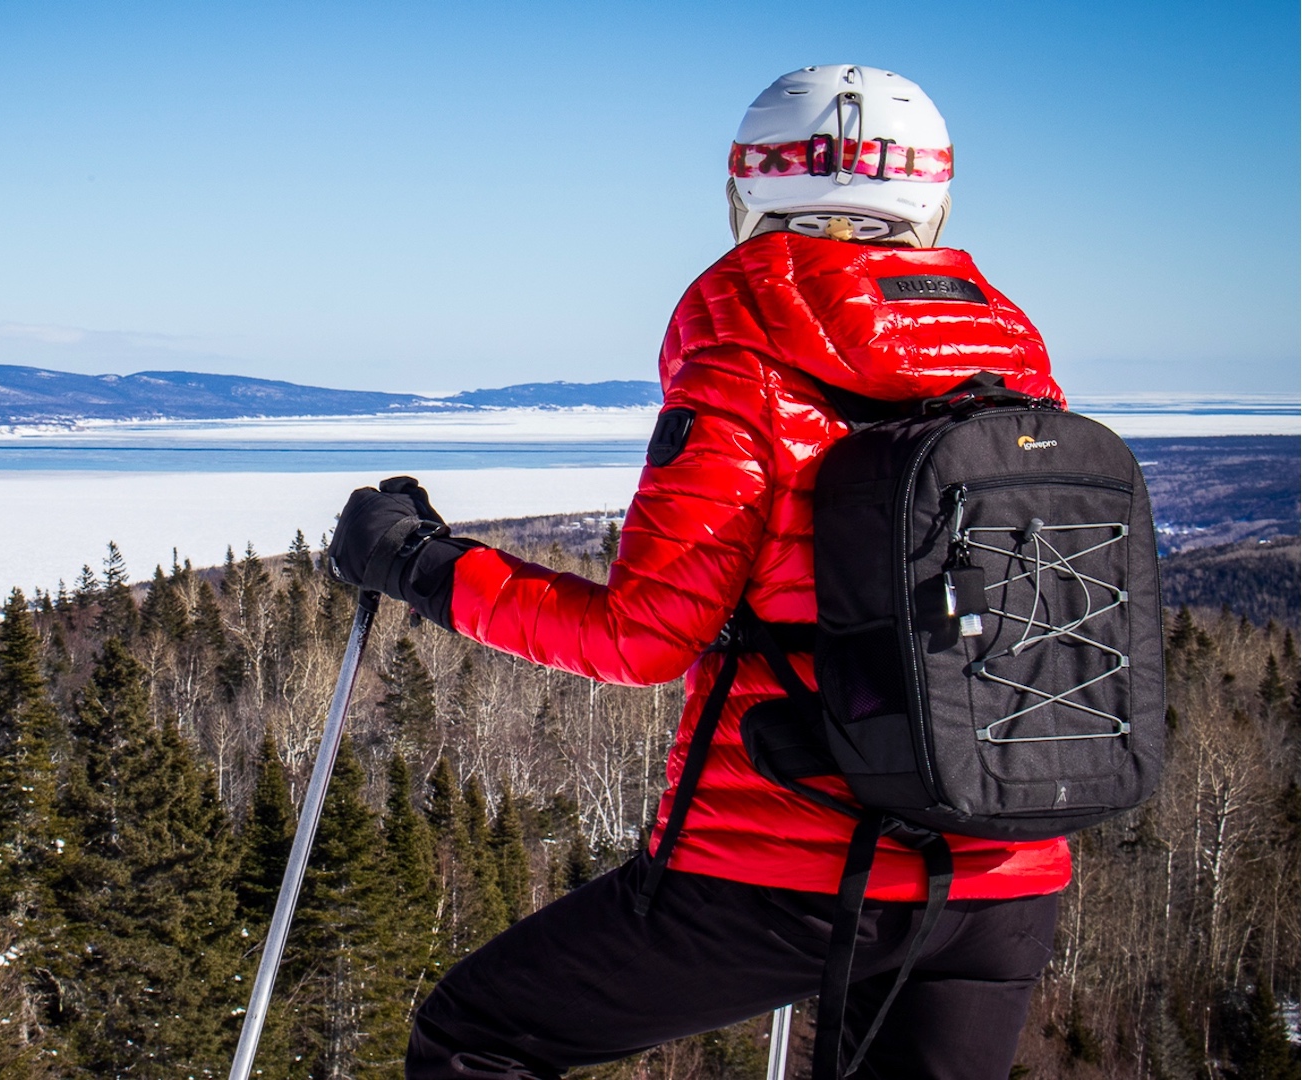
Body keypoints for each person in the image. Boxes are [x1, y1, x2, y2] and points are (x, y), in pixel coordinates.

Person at [328, 65, 1069, 1080]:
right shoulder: (1019, 380)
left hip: (787, 868)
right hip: (1006, 874)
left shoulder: (745, 367)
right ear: (933, 201)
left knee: (479, 1037)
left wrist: (418, 563)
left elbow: (639, 638)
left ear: (746, 197)